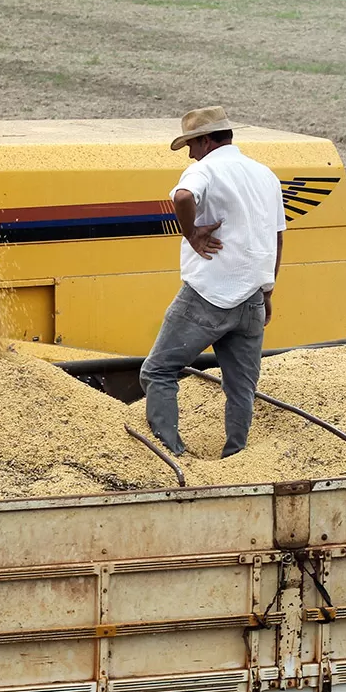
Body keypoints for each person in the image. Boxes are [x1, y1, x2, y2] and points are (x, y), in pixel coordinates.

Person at [140, 106, 286, 458]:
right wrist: (267, 291)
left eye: (191, 144)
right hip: (252, 296)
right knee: (241, 387)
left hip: (207, 295)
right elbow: (278, 237)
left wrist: (190, 233)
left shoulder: (204, 168)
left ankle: (169, 453)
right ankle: (236, 456)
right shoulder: (265, 174)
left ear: (205, 141)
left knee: (158, 371)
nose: (190, 153)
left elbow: (183, 197)